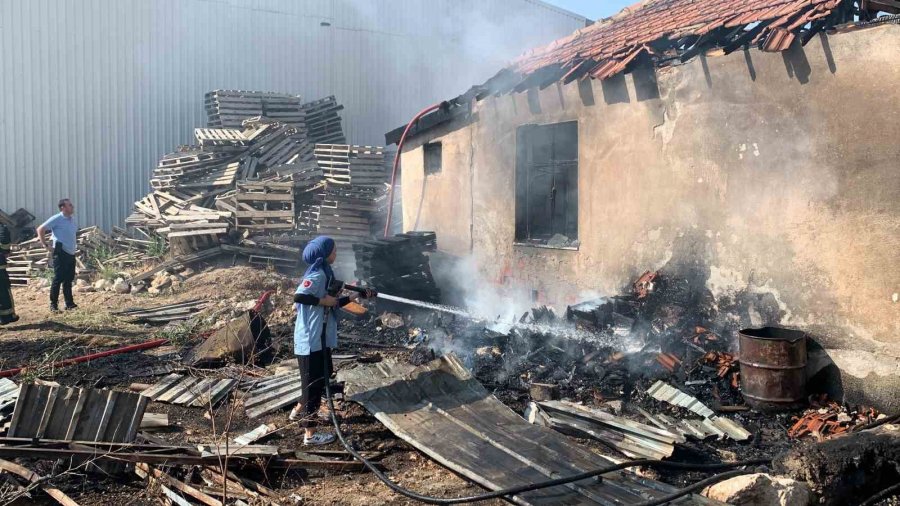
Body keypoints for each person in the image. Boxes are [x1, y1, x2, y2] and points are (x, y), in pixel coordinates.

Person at [289, 236, 371, 445]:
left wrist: (356, 295)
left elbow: (334, 303)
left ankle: (298, 411)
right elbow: (299, 297)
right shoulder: (316, 275)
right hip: (310, 340)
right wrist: (321, 300)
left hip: (319, 340)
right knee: (313, 386)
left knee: (318, 379)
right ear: (325, 254)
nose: (336, 254)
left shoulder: (324, 274)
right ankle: (310, 435)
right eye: (334, 251)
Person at [37, 199, 78, 312]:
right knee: (58, 279)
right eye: (70, 205)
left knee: (68, 280)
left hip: (71, 253)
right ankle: (53, 305)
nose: (72, 206)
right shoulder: (57, 218)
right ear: (62, 208)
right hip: (61, 253)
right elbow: (40, 229)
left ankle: (69, 304)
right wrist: (45, 245)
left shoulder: (71, 220)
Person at [0, 223, 19, 325]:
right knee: (4, 291)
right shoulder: (2, 227)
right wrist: (5, 251)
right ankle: (8, 316)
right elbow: (4, 239)